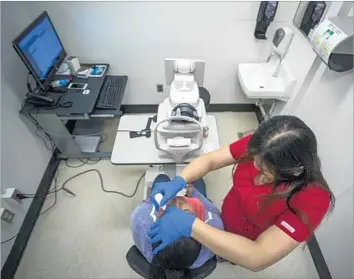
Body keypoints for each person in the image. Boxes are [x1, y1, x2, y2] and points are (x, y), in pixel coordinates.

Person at [148, 115, 335, 272]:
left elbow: (257, 256)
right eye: (254, 160)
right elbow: (211, 160)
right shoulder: (264, 146)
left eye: (265, 170)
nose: (254, 167)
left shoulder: (312, 199)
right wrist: (180, 180)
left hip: (243, 242)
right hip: (225, 214)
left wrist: (190, 225)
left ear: (293, 171)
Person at [131, 174, 224, 279]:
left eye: (168, 210)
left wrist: (157, 197)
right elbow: (212, 211)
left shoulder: (141, 223)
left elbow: (149, 203)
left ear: (158, 218)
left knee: (161, 178)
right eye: (186, 213)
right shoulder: (211, 238)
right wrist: (195, 194)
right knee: (197, 178)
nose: (179, 200)